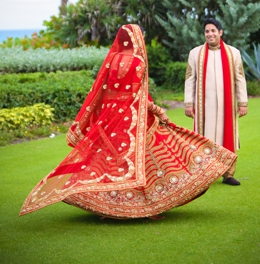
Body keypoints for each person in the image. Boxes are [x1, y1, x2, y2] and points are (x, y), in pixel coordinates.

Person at [20, 24, 237, 219]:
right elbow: (141, 96)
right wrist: (159, 111)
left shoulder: (113, 60)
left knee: (110, 159)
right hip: (134, 116)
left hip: (112, 116)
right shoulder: (138, 61)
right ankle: (145, 205)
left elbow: (102, 91)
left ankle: (108, 206)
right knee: (143, 157)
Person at [184, 18, 248, 186]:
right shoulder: (195, 53)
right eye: (207, 31)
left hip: (227, 104)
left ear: (220, 32)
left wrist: (242, 102)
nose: (210, 34)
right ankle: (203, 174)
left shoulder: (233, 53)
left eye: (213, 30)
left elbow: (240, 78)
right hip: (204, 105)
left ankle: (228, 174)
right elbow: (190, 79)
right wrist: (188, 103)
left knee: (227, 135)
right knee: (204, 137)